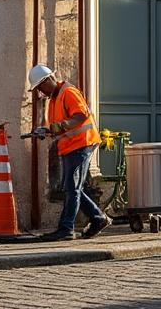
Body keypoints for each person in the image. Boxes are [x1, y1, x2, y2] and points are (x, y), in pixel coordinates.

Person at [27, 65, 110, 241]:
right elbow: (60, 125)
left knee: (72, 188)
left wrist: (56, 127)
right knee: (73, 188)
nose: (40, 91)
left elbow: (80, 116)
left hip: (82, 144)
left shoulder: (68, 92)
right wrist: (47, 131)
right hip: (70, 146)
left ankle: (66, 228)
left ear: (48, 80)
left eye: (40, 86)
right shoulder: (55, 98)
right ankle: (97, 218)